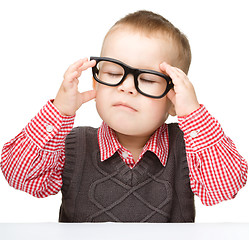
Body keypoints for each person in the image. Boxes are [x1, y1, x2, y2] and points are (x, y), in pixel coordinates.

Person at [1, 10, 247, 222]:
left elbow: (224, 188)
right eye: (113, 72)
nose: (127, 87)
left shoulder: (189, 149)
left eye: (149, 79)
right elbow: (18, 175)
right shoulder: (71, 144)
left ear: (174, 99)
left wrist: (193, 115)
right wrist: (59, 112)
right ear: (95, 85)